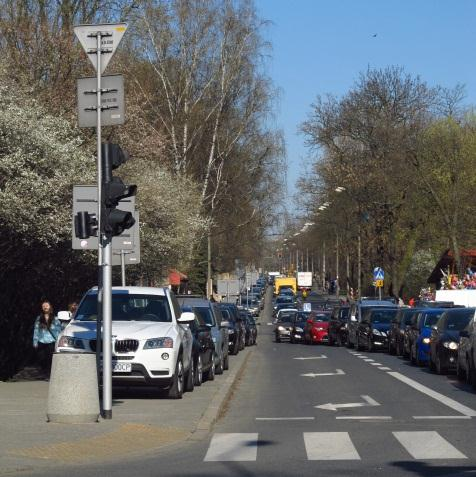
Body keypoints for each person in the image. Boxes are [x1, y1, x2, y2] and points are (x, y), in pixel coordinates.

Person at [32, 300, 62, 377]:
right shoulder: (39, 318)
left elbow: (59, 329)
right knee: (41, 358)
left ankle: (49, 373)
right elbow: (36, 329)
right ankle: (43, 372)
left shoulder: (55, 318)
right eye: (43, 306)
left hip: (51, 340)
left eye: (46, 306)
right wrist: (35, 341)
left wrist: (58, 340)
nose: (45, 307)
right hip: (41, 340)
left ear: (50, 307)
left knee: (50, 357)